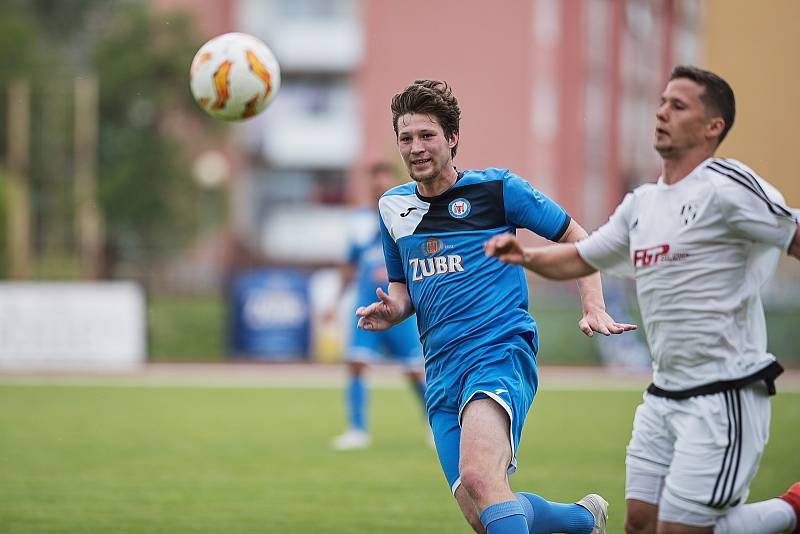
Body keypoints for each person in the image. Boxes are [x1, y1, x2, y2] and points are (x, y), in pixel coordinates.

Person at [484, 65, 800, 534]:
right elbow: (581, 258)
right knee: (639, 522)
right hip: (662, 394)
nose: (661, 112)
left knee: (681, 531)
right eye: (661, 102)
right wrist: (523, 255)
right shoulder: (643, 203)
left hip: (725, 395)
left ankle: (791, 510)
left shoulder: (728, 185)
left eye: (679, 105)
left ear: (713, 126)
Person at [357, 79, 636, 534]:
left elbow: (579, 238)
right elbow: (402, 288)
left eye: (427, 135)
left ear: (452, 138)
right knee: (482, 510)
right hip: (441, 370)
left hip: (498, 353)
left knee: (480, 477)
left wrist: (593, 303)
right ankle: (583, 521)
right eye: (405, 138)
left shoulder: (498, 190)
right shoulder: (392, 207)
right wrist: (393, 310)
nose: (415, 148)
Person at [328, 162, 428, 450]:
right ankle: (357, 430)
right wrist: (334, 302)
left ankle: (434, 427)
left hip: (400, 311)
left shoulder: (408, 216)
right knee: (357, 364)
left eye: (383, 181)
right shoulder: (358, 222)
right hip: (364, 307)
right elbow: (348, 265)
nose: (378, 187)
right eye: (374, 183)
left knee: (413, 372)